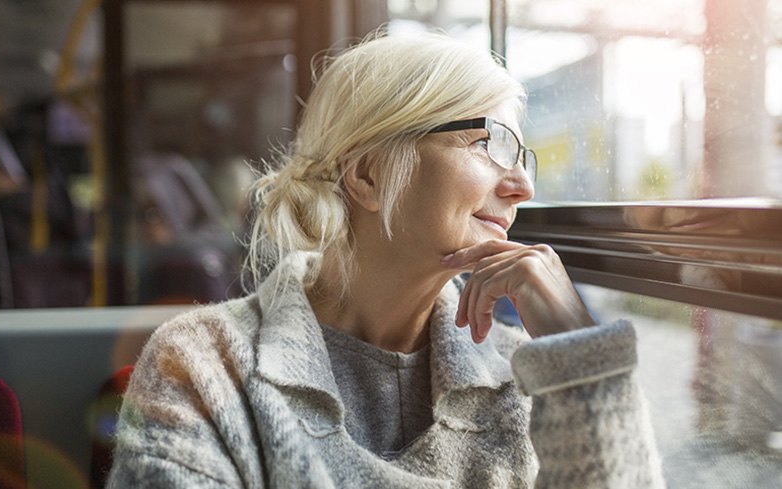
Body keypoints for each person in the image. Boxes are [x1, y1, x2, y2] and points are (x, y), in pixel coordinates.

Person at [107, 31, 665, 488]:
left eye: (524, 159)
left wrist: (580, 355)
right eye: (489, 142)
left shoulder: (526, 377)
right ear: (369, 174)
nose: (521, 185)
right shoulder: (201, 366)